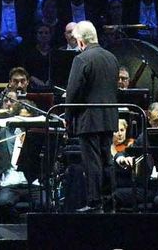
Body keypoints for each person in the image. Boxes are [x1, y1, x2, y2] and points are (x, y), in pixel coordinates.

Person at [65, 20, 120, 212]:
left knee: (92, 162)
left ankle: (94, 202)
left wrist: (68, 117)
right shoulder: (112, 57)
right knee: (107, 160)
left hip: (88, 118)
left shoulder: (81, 59)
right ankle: (109, 200)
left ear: (81, 41)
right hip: (109, 117)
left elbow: (73, 92)